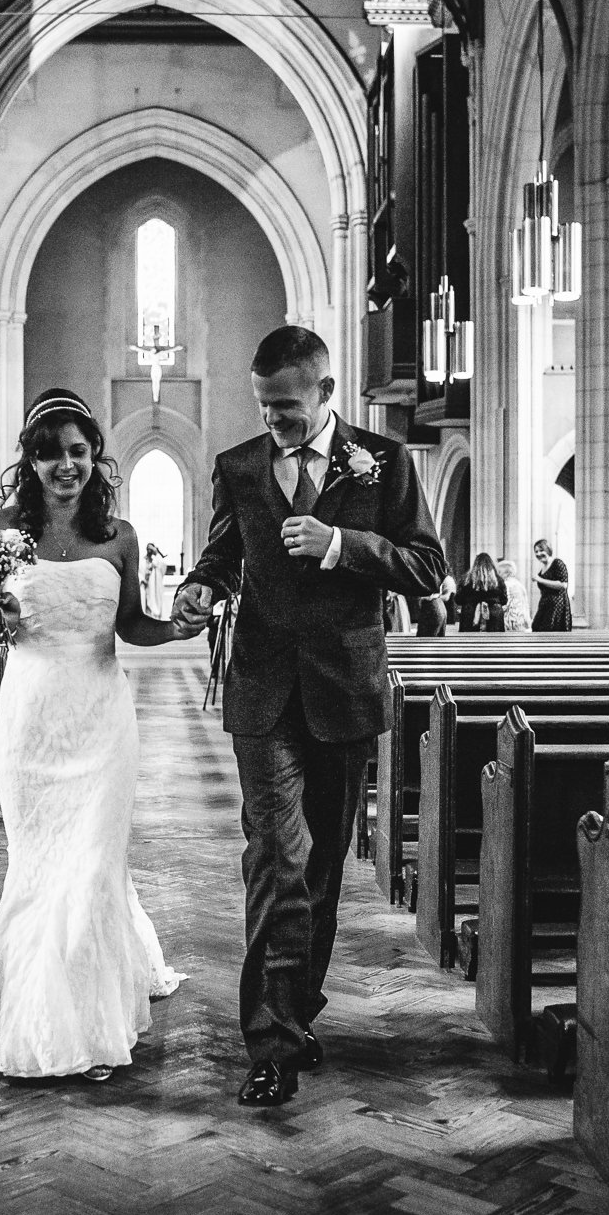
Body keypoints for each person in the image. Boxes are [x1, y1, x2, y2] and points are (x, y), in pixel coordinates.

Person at [173, 326, 446, 1106]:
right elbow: (224, 555)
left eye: (287, 408)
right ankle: (269, 1044)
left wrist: (342, 544)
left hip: (345, 689)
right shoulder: (239, 466)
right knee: (277, 856)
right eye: (264, 407)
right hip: (261, 689)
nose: (274, 423)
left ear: (327, 392)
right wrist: (200, 589)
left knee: (321, 868)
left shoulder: (385, 462)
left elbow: (428, 566)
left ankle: (296, 1009)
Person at [0, 388, 191, 1080]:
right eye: (51, 454)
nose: (66, 465)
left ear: (96, 456)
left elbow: (130, 621)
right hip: (31, 722)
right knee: (42, 864)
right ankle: (43, 1010)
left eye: (79, 452)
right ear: (33, 459)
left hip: (101, 720)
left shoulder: (121, 536)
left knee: (90, 866)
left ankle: (87, 1025)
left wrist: (178, 627)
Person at [530, 538, 572, 632]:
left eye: (541, 550)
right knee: (536, 628)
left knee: (551, 633)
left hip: (557, 606)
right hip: (545, 605)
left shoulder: (557, 563)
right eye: (536, 551)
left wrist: (539, 579)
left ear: (548, 550)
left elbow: (563, 585)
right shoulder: (543, 568)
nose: (538, 554)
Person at [458, 552, 506, 633]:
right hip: (494, 614)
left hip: (470, 614)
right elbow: (504, 600)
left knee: (469, 643)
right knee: (495, 643)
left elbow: (458, 599)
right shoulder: (498, 580)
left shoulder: (466, 579)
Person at [498, 559, 531, 632]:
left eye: (499, 572)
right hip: (522, 621)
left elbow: (505, 605)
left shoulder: (505, 585)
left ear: (506, 573)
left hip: (511, 622)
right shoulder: (520, 585)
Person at [141, 541, 167, 618]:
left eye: (151, 549)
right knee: (145, 604)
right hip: (145, 586)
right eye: (148, 549)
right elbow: (140, 572)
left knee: (155, 603)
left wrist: (156, 554)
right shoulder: (143, 560)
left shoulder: (156, 560)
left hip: (154, 586)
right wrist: (143, 579)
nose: (149, 551)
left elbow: (162, 565)